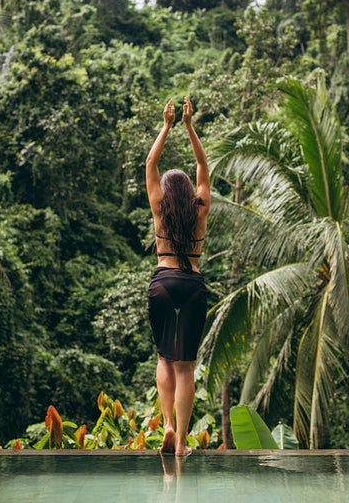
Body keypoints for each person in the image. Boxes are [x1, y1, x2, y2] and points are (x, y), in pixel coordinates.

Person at [146, 96, 210, 457]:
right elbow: (202, 164)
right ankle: (182, 442)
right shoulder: (200, 209)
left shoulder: (159, 208)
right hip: (192, 285)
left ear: (167, 194)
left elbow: (151, 162)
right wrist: (189, 126)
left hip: (163, 282)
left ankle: (167, 426)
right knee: (186, 366)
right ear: (189, 193)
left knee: (163, 358)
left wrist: (167, 126)